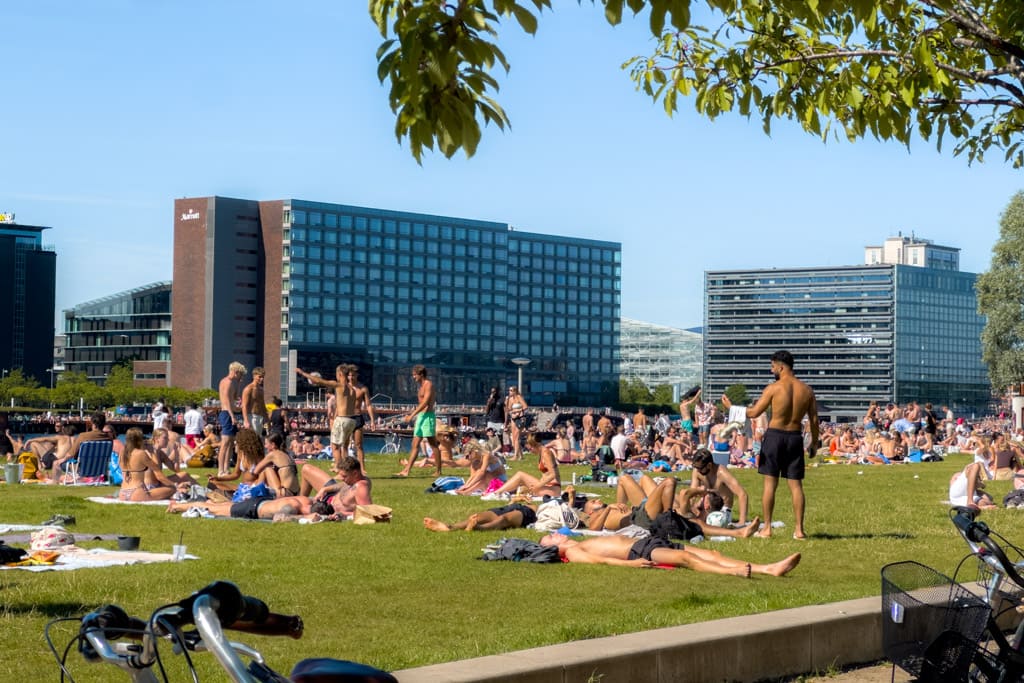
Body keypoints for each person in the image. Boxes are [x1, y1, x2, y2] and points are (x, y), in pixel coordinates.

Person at [745, 350, 819, 540]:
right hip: (794, 437)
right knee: (796, 486)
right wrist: (814, 444)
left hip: (775, 436)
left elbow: (753, 413)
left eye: (772, 367)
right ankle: (799, 530)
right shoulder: (807, 390)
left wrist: (732, 409)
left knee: (770, 484)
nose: (772, 371)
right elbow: (814, 419)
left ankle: (767, 528)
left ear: (781, 366)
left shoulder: (773, 388)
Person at [540, 532, 801, 577]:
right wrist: (632, 566)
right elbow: (601, 560)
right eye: (551, 537)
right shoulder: (574, 552)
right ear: (552, 547)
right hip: (640, 551)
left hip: (648, 542)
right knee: (688, 559)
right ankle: (731, 571)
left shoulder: (578, 542)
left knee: (711, 552)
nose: (557, 535)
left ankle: (768, 568)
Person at [297, 365, 359, 472]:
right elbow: (346, 405)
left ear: (339, 374)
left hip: (342, 420)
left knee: (335, 447)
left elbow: (319, 380)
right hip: (351, 420)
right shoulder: (353, 389)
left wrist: (303, 373)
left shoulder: (339, 385)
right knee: (345, 447)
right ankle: (347, 470)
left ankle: (341, 470)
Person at [396, 364, 441, 476]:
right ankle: (406, 470)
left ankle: (438, 471)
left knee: (433, 444)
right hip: (421, 417)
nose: (413, 377)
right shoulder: (420, 386)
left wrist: (412, 415)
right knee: (415, 443)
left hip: (428, 417)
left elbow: (425, 402)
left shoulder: (428, 384)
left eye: (415, 375)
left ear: (421, 374)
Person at [488, 434, 561, 498]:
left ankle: (496, 493)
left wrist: (538, 485)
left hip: (552, 490)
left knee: (520, 475)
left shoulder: (546, 453)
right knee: (519, 484)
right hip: (549, 488)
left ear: (534, 445)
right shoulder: (543, 453)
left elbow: (552, 474)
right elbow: (546, 474)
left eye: (529, 449)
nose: (530, 451)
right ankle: (500, 491)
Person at [689, 448, 749, 526]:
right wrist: (689, 509)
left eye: (700, 468)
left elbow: (742, 494)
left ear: (709, 465)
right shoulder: (697, 471)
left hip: (722, 511)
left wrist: (742, 522)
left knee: (696, 522)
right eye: (695, 467)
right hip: (706, 507)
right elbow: (692, 495)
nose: (697, 470)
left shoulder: (722, 473)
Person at [299, 456, 373, 517]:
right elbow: (343, 485)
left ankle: (301, 499)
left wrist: (343, 514)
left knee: (296, 507)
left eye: (344, 476)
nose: (341, 478)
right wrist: (325, 489)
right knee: (306, 468)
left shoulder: (361, 486)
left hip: (327, 509)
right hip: (331, 495)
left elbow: (367, 513)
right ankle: (301, 497)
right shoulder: (353, 481)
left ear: (355, 473)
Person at [118, 428, 178, 501]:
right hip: (137, 492)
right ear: (139, 440)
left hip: (122, 493)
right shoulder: (141, 453)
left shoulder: (122, 453)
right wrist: (175, 485)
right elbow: (159, 475)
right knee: (172, 489)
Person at [217, 361, 247, 476]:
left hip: (230, 413)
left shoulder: (232, 382)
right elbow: (226, 401)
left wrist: (239, 383)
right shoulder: (227, 382)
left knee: (230, 443)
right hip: (227, 413)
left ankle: (226, 468)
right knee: (225, 443)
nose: (241, 377)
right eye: (240, 374)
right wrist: (232, 416)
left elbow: (234, 397)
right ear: (236, 372)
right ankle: (221, 470)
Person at [346, 365, 377, 474]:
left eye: (353, 375)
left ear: (357, 375)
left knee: (358, 444)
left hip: (358, 417)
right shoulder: (344, 387)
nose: (350, 377)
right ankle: (344, 468)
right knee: (344, 445)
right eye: (349, 375)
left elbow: (368, 405)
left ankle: (362, 468)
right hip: (346, 417)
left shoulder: (363, 388)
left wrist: (372, 420)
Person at [253, 432, 300, 496]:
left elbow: (256, 471)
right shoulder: (286, 454)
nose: (265, 446)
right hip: (296, 492)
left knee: (267, 469)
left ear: (273, 445)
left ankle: (254, 494)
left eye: (266, 444)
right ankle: (256, 491)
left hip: (285, 492)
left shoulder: (272, 454)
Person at [241, 367, 269, 436]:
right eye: (259, 377)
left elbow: (262, 405)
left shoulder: (261, 390)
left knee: (259, 441)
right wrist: (246, 421)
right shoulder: (248, 389)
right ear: (254, 376)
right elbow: (244, 406)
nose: (262, 379)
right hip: (251, 417)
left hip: (260, 418)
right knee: (252, 441)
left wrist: (267, 420)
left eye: (263, 377)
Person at [505, 386, 528, 461]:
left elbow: (525, 407)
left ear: (515, 391)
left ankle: (515, 456)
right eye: (509, 390)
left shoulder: (519, 397)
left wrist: (517, 411)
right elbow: (508, 409)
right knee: (514, 437)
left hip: (520, 418)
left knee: (517, 437)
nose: (510, 391)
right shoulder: (510, 399)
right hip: (513, 418)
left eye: (511, 390)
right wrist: (506, 402)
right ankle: (521, 456)